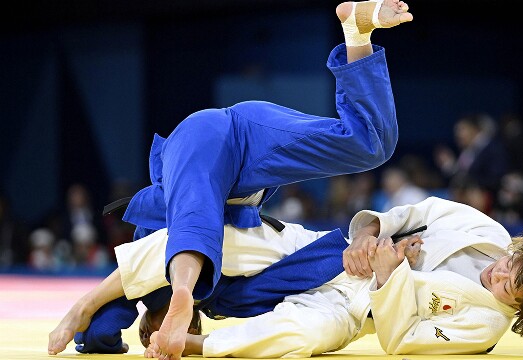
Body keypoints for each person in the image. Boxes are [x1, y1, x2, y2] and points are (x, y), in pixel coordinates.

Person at [48, 0, 410, 357]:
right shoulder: (229, 302)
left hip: (213, 139)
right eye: (191, 329)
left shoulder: (143, 276)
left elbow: (101, 322)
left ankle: (180, 294)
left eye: (158, 336)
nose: (186, 331)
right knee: (370, 144)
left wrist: (87, 313)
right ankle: (355, 30)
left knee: (191, 223)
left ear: (145, 328)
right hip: (250, 174)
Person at [110, 196, 523, 358]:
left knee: (300, 335)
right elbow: (412, 212)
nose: (497, 272)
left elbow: (401, 339)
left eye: (509, 285)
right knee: (232, 239)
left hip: (349, 309)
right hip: (336, 254)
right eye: (510, 262)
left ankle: (195, 345)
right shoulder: (487, 231)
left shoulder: (483, 328)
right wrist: (370, 236)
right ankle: (95, 300)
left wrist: (389, 277)